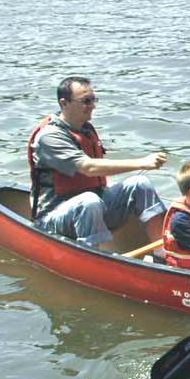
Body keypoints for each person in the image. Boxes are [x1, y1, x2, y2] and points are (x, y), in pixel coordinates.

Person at [28, 76, 168, 249]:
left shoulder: (85, 128)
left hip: (93, 205)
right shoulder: (50, 137)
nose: (92, 105)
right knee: (89, 201)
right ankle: (93, 260)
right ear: (64, 103)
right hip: (54, 217)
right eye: (86, 101)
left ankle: (163, 255)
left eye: (94, 99)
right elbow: (88, 167)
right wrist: (142, 163)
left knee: (140, 184)